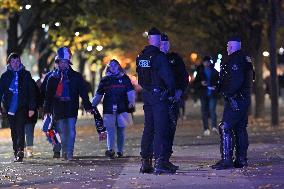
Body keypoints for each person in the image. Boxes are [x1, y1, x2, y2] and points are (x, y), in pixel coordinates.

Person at [136, 27, 176, 174]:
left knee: (148, 129)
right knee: (160, 130)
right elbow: (168, 78)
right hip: (159, 96)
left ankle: (146, 162)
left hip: (147, 96)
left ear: (148, 39)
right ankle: (160, 162)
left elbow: (140, 78)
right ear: (159, 40)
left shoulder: (141, 57)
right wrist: (171, 92)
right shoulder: (160, 57)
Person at [211, 36, 254, 170]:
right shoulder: (246, 58)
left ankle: (227, 159)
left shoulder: (236, 59)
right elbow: (251, 77)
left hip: (236, 99)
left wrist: (227, 92)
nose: (227, 48)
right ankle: (241, 159)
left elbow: (236, 80)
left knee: (225, 127)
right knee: (240, 128)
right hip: (243, 98)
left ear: (235, 46)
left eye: (229, 45)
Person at [43, 47, 93, 161]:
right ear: (57, 62)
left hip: (71, 107)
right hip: (58, 108)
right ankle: (64, 149)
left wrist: (87, 105)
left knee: (70, 130)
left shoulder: (76, 76)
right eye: (61, 62)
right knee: (61, 131)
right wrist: (46, 110)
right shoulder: (52, 78)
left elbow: (83, 93)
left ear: (68, 62)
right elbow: (48, 96)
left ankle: (68, 152)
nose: (63, 64)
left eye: (65, 62)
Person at [92, 59, 135, 159]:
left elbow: (130, 91)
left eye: (115, 65)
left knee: (121, 130)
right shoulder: (105, 79)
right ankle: (111, 150)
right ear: (108, 67)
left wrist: (131, 102)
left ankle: (120, 151)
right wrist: (92, 105)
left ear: (119, 66)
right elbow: (99, 94)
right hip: (108, 108)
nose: (113, 67)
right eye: (111, 66)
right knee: (110, 130)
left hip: (123, 107)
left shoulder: (124, 78)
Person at [0, 53, 36, 162]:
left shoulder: (26, 74)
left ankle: (20, 150)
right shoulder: (5, 76)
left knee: (20, 128)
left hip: (22, 106)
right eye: (13, 61)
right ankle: (16, 150)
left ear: (20, 62)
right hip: (10, 107)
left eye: (17, 61)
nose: (15, 64)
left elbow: (32, 92)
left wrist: (31, 107)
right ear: (9, 63)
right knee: (14, 130)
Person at [160, 33, 189, 161]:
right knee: (159, 128)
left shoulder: (175, 58)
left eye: (166, 43)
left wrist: (180, 91)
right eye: (162, 43)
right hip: (159, 99)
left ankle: (166, 154)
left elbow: (184, 77)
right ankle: (159, 155)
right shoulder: (153, 58)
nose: (164, 46)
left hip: (173, 98)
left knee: (171, 127)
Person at [194, 56, 219, 136]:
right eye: (205, 62)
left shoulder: (214, 71)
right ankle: (206, 128)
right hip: (203, 94)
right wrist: (201, 83)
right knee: (204, 111)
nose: (206, 63)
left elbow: (218, 81)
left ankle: (214, 126)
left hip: (212, 94)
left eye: (208, 62)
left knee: (212, 110)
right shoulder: (200, 71)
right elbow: (195, 83)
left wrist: (216, 86)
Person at [24, 78, 40, 158]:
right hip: (18, 111)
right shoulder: (12, 80)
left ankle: (29, 150)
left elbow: (36, 95)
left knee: (29, 132)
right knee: (21, 132)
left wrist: (33, 108)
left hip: (30, 111)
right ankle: (22, 149)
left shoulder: (30, 82)